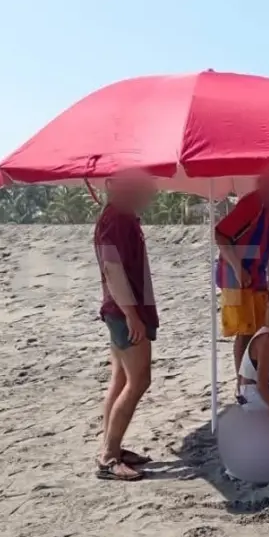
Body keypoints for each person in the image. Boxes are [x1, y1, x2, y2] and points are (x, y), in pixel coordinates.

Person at [93, 171, 158, 481]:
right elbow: (112, 268)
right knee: (139, 380)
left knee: (120, 380)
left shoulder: (121, 218)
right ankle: (108, 455)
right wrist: (132, 315)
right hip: (123, 312)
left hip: (119, 310)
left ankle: (111, 448)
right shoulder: (117, 220)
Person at [216, 178, 269, 377]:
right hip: (233, 275)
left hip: (258, 272)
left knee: (266, 327)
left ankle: (267, 377)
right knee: (245, 332)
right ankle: (242, 382)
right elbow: (220, 235)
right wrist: (238, 268)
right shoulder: (253, 202)